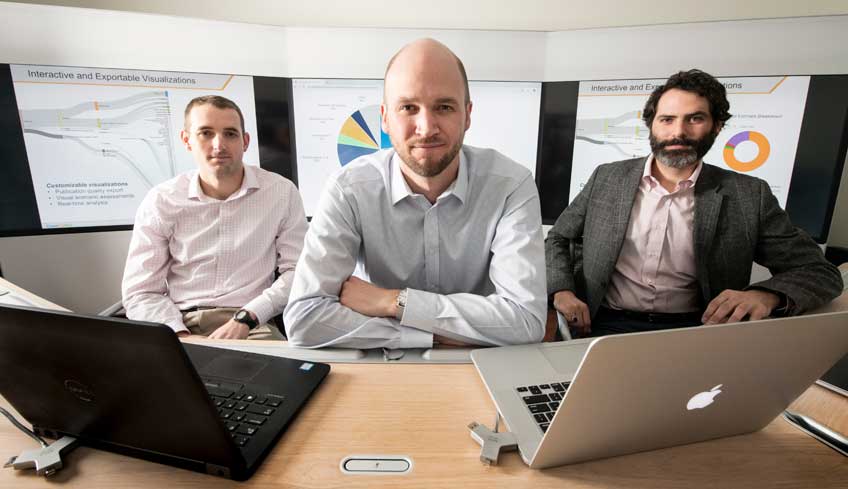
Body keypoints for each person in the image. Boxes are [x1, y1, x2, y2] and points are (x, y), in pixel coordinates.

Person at [283, 38, 546, 349]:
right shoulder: (349, 189)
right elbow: (305, 319)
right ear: (384, 117)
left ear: (468, 114)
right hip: (392, 363)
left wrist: (393, 302)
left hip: (475, 365)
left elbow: (526, 320)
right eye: (408, 107)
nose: (426, 127)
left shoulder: (511, 185)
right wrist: (425, 336)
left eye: (444, 107)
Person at [546, 69, 843, 337]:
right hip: (601, 323)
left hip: (699, 330)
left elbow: (820, 273)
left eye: (695, 119)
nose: (678, 132)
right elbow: (558, 237)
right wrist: (561, 291)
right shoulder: (608, 178)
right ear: (652, 125)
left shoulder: (750, 195)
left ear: (716, 126)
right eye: (667, 119)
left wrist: (765, 296)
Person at [122, 95, 307, 339]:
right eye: (206, 133)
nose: (219, 145)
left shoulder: (281, 193)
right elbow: (141, 291)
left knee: (285, 375)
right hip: (178, 321)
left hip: (252, 324)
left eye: (230, 133)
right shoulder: (161, 200)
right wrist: (179, 334)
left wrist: (248, 317)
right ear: (187, 140)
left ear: (245, 141)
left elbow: (299, 271)